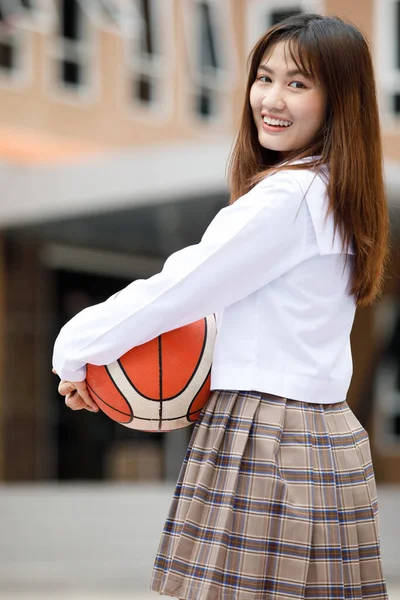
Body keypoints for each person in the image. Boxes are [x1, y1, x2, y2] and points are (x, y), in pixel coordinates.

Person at [52, 13, 389, 600]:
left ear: (340, 100)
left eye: (299, 83)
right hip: (327, 436)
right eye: (264, 77)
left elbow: (178, 289)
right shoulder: (338, 191)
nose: (271, 98)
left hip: (267, 436)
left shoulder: (287, 196)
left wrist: (74, 352)